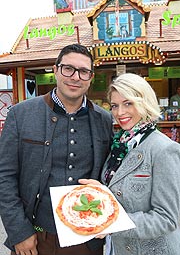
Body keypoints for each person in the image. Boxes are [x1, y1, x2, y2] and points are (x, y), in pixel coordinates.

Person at [0, 44, 113, 255]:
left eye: (83, 72)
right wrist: (19, 232)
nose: (75, 77)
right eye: (68, 68)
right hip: (35, 237)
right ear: (56, 70)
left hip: (87, 240)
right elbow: (4, 176)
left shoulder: (104, 119)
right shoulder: (20, 114)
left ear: (91, 77)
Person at [79, 73, 180, 255]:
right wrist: (101, 191)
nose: (119, 113)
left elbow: (167, 219)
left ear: (144, 102)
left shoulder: (164, 150)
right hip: (116, 248)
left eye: (128, 103)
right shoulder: (120, 143)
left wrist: (113, 223)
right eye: (115, 106)